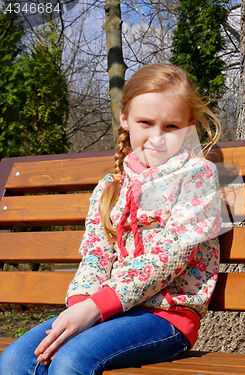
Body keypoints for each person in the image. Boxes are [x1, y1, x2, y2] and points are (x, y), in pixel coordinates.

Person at [0, 64, 222, 375]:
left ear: (189, 127)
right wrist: (81, 305)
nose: (157, 138)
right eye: (145, 123)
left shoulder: (197, 177)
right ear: (125, 119)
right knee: (14, 361)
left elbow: (173, 256)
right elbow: (95, 253)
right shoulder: (110, 186)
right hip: (106, 310)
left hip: (166, 317)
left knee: (71, 362)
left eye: (171, 127)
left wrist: (96, 308)